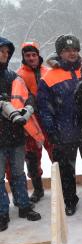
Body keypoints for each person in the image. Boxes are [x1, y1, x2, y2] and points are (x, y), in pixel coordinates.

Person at [37, 34, 82, 216]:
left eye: (74, 50)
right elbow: (44, 109)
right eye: (66, 50)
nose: (71, 53)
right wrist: (52, 132)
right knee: (66, 171)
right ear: (59, 53)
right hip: (64, 132)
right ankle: (70, 200)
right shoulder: (49, 77)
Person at [0, 37, 41, 231]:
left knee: (18, 173)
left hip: (16, 134)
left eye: (7, 52)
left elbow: (29, 96)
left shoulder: (14, 77)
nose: (5, 55)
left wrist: (28, 109)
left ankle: (23, 206)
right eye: (2, 51)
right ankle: (2, 213)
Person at [16, 42, 52, 203]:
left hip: (48, 120)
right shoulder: (18, 76)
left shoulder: (48, 72)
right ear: (23, 57)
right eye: (27, 55)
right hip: (30, 123)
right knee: (32, 158)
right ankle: (38, 189)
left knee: (56, 155)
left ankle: (62, 185)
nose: (31, 58)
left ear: (38, 55)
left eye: (33, 55)